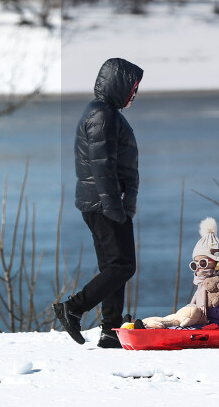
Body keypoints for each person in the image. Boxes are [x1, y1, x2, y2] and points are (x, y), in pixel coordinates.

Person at [54, 57, 143, 348]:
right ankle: (73, 308)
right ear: (119, 85)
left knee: (113, 268)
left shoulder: (105, 113)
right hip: (105, 205)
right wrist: (114, 207)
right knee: (122, 266)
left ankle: (110, 330)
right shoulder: (102, 115)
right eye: (132, 88)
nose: (134, 94)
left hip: (104, 203)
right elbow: (101, 167)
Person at [132, 217, 219, 338]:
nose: (199, 268)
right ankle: (147, 327)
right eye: (195, 264)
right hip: (207, 325)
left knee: (185, 329)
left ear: (218, 261)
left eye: (203, 263)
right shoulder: (203, 284)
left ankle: (159, 333)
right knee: (180, 324)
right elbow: (193, 309)